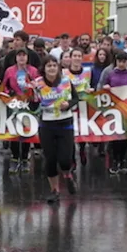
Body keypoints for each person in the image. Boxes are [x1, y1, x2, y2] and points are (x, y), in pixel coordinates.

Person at [30, 56, 79, 204]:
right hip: (47, 125)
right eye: (48, 66)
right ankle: (54, 191)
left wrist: (68, 104)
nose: (51, 68)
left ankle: (68, 175)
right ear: (44, 68)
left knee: (65, 159)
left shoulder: (66, 81)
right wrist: (33, 97)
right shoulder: (38, 84)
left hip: (65, 124)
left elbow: (76, 99)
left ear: (58, 68)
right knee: (50, 159)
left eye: (54, 65)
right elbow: (32, 107)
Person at [98, 50, 127, 174]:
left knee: (125, 137)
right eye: (119, 61)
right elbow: (103, 88)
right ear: (116, 61)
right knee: (115, 136)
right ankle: (115, 160)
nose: (121, 64)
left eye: (124, 61)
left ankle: (122, 160)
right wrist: (106, 88)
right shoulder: (111, 74)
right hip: (114, 110)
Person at [1, 48, 40, 173]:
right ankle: (14, 157)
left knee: (26, 131)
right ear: (16, 58)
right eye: (19, 55)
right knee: (14, 131)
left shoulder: (33, 70)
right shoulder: (10, 70)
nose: (22, 58)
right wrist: (8, 93)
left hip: (28, 103)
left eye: (24, 55)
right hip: (14, 103)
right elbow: (4, 86)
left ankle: (24, 158)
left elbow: (39, 86)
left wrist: (34, 88)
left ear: (27, 58)